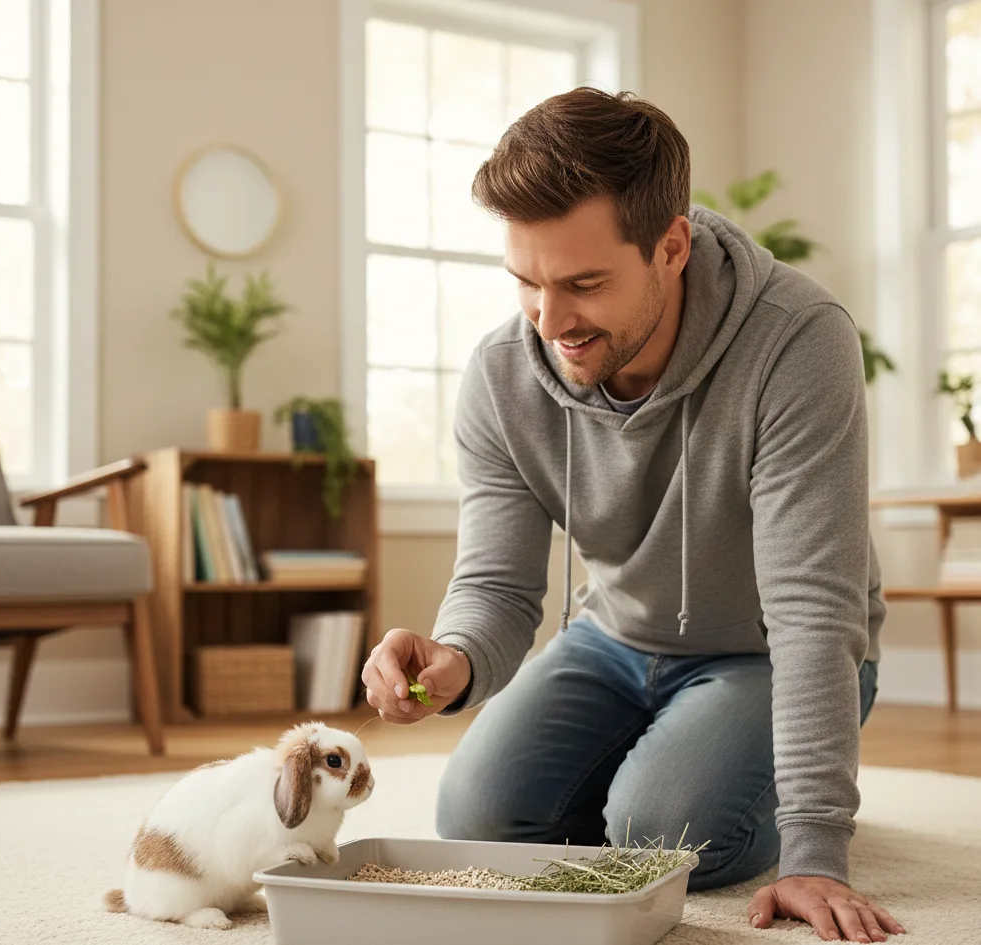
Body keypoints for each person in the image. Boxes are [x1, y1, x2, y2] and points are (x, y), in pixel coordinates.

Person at [361, 87, 904, 943]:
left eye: (583, 283)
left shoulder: (799, 340)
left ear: (671, 247)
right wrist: (454, 656)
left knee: (664, 837)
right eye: (527, 283)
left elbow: (811, 609)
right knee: (474, 820)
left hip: (764, 647)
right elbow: (497, 584)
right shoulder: (504, 374)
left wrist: (815, 846)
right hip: (612, 639)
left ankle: (712, 780)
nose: (551, 320)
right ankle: (667, 765)